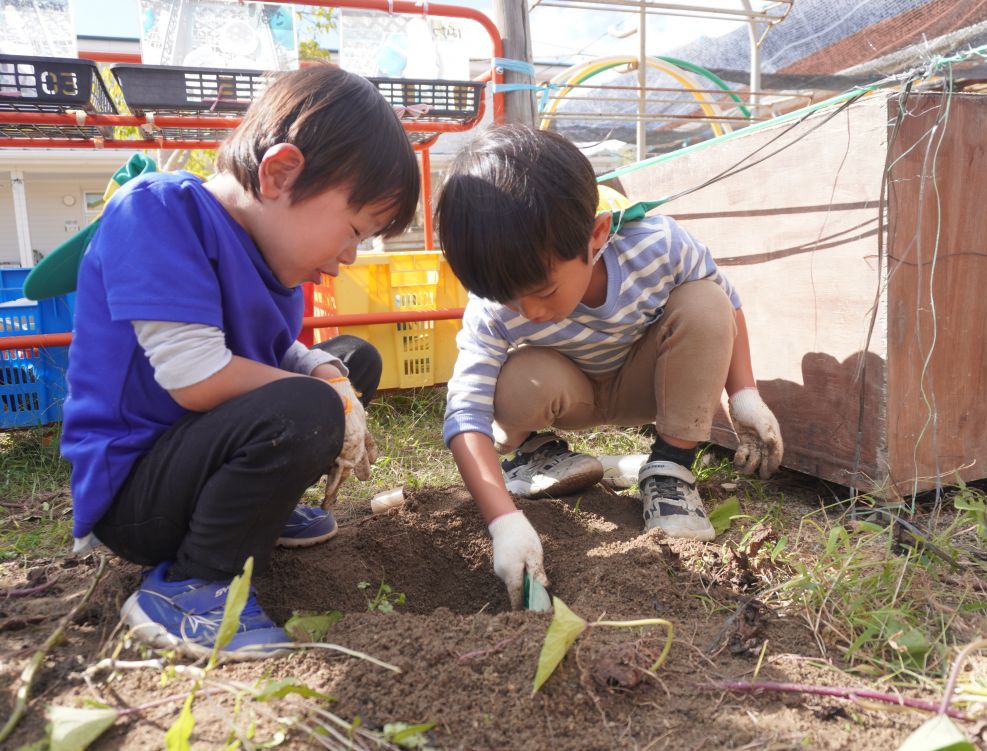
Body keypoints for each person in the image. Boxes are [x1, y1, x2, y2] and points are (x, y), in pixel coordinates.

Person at [60, 65, 419, 658]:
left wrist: (329, 374)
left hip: (198, 463)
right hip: (138, 495)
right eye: (354, 230)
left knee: (351, 360)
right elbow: (195, 375)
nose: (349, 257)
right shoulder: (158, 213)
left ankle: (258, 515)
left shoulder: (269, 255)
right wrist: (322, 398)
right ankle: (194, 584)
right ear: (281, 173)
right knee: (307, 405)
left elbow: (273, 347)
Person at [435, 125, 783, 608]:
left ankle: (669, 469)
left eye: (543, 291)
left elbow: (729, 304)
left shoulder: (657, 245)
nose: (529, 312)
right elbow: (465, 411)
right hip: (565, 395)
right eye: (506, 298)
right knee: (508, 378)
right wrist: (503, 521)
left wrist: (743, 394)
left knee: (706, 301)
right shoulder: (493, 309)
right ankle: (536, 454)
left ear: (596, 235)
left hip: (647, 383)